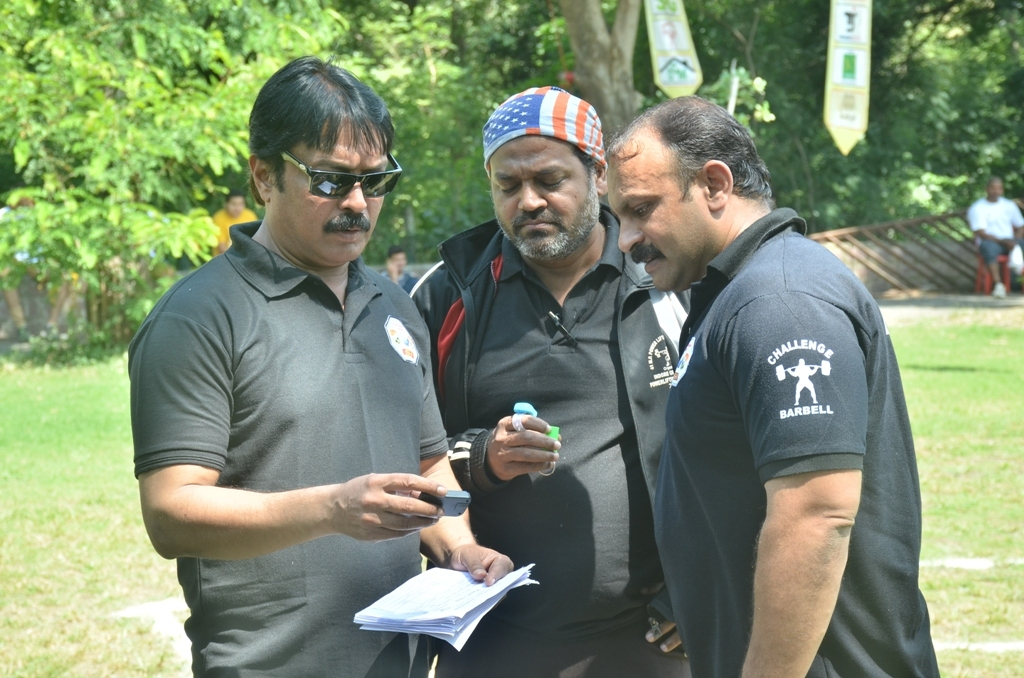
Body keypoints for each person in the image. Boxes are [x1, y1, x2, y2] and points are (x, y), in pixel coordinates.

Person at [128, 56, 512, 678]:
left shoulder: (394, 305)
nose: (357, 203)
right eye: (331, 180)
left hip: (401, 660)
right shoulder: (198, 316)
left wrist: (459, 549)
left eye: (375, 180)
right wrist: (332, 509)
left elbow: (426, 463)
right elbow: (172, 515)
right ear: (264, 176)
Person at [607, 96, 939, 677]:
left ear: (714, 185)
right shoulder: (735, 293)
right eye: (619, 217)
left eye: (641, 209)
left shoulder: (778, 301)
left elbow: (816, 517)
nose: (625, 240)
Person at [413, 86, 690, 677]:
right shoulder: (447, 295)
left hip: (650, 639)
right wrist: (485, 457)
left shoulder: (669, 275)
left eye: (549, 179)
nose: (529, 201)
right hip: (490, 638)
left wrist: (699, 588)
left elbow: (731, 450)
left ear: (598, 174)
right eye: (508, 185)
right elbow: (409, 454)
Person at [967, 176, 1024, 297]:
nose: (996, 191)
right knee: (988, 248)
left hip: (1010, 241)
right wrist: (1003, 241)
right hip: (991, 242)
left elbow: (1021, 225)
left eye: (999, 188)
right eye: (993, 188)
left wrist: (1016, 239)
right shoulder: (978, 207)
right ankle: (998, 285)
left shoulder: (1009, 205)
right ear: (987, 189)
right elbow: (981, 232)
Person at [211, 188, 259, 254]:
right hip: (224, 257)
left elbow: (255, 241)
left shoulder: (250, 216)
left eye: (240, 204)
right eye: (234, 204)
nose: (237, 208)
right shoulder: (219, 218)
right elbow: (221, 247)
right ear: (226, 204)